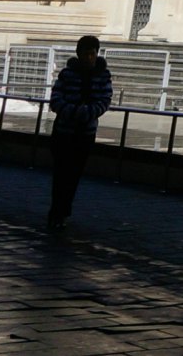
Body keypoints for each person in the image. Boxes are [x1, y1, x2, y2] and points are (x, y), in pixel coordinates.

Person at [45, 35, 116, 230]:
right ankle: (57, 211)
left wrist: (87, 113)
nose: (89, 58)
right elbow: (56, 99)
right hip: (64, 132)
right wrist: (74, 112)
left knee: (73, 175)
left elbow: (105, 100)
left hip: (85, 134)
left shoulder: (103, 75)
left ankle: (62, 211)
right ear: (79, 54)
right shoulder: (67, 74)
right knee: (61, 174)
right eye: (86, 54)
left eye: (92, 54)